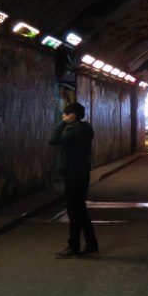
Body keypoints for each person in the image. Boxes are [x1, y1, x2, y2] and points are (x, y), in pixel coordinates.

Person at [49, 101, 98, 258]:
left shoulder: (76, 131)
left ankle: (74, 246)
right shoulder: (83, 129)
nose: (63, 116)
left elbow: (53, 139)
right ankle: (91, 244)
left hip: (75, 175)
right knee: (80, 210)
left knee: (74, 212)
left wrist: (63, 123)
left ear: (72, 116)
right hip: (78, 174)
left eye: (65, 114)